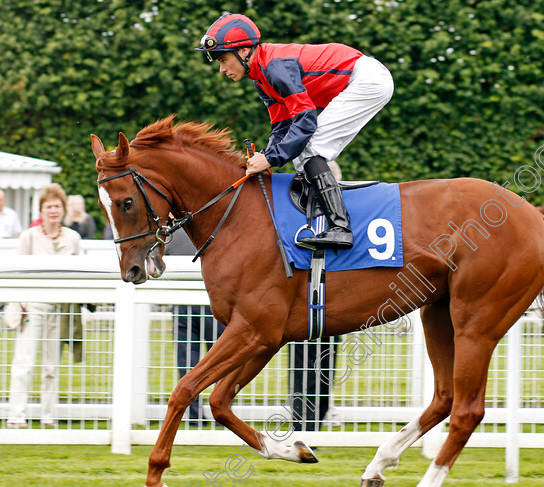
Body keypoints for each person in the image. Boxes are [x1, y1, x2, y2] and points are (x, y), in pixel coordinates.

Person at [196, 13, 394, 250]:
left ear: (244, 51)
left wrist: (270, 158)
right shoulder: (262, 80)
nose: (221, 70)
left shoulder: (275, 67)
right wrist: (266, 157)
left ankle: (340, 228)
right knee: (300, 153)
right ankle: (320, 217)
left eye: (223, 60)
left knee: (311, 147)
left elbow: (305, 120)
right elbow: (283, 127)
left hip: (368, 79)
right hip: (363, 78)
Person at [6, 184, 81, 429]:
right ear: (41, 209)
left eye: (57, 206)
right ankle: (16, 416)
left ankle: (48, 415)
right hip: (32, 306)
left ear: (63, 209)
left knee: (52, 365)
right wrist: (20, 302)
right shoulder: (29, 236)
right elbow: (17, 271)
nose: (53, 210)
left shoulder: (73, 238)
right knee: (23, 362)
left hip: (59, 308)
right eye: (48, 206)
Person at [164, 229, 224, 427]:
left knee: (190, 361)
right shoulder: (208, 227)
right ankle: (219, 411)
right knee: (217, 361)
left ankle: (195, 415)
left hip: (191, 303)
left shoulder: (171, 234)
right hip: (205, 302)